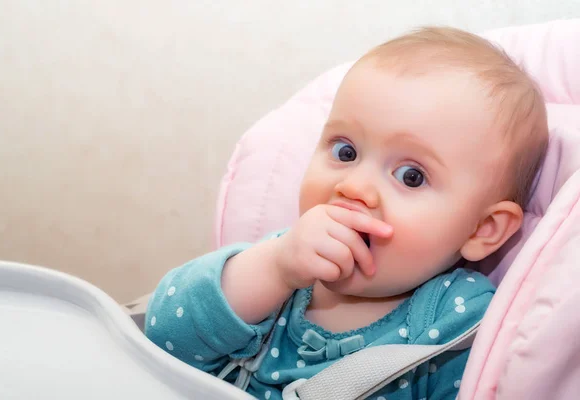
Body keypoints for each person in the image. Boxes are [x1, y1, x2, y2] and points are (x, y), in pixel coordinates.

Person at [145, 27, 548, 400]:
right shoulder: (280, 266)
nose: (353, 186)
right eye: (346, 152)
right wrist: (275, 268)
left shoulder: (457, 321)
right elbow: (164, 339)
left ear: (483, 229)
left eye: (411, 176)